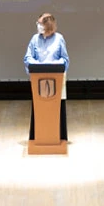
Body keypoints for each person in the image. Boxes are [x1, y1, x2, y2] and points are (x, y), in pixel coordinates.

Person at [24, 12, 69, 141]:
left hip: (56, 81)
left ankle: (57, 137)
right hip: (38, 81)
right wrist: (37, 65)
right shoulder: (34, 39)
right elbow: (27, 57)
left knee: (55, 110)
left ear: (48, 25)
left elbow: (65, 60)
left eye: (39, 23)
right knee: (40, 109)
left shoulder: (59, 38)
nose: (37, 26)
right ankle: (39, 136)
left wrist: (54, 66)